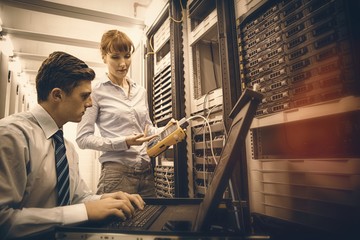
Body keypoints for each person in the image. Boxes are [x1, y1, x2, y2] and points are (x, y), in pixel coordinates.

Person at [0, 51, 145, 240]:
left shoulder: (66, 147)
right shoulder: (12, 136)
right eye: (84, 96)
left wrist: (105, 199)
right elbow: (3, 221)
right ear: (57, 95)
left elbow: (78, 198)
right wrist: (85, 211)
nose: (90, 103)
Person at [76, 30, 169, 197]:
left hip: (146, 171)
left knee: (151, 222)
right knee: (117, 224)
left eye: (127, 56)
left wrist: (166, 131)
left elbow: (147, 129)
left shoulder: (140, 91)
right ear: (104, 56)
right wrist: (123, 142)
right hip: (117, 174)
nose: (123, 63)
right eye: (115, 57)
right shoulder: (95, 92)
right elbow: (83, 139)